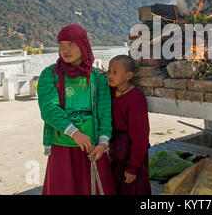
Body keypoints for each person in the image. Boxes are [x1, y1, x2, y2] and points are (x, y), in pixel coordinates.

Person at [37, 24, 116, 195]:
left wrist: (103, 143)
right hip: (63, 146)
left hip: (93, 148)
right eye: (61, 45)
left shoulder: (98, 78)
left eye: (71, 44)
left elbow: (104, 113)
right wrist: (74, 133)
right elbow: (49, 110)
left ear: (83, 45)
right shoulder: (49, 75)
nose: (65, 50)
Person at [106, 55, 151, 195]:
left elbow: (140, 138)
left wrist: (133, 167)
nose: (109, 75)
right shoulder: (113, 91)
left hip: (130, 153)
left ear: (128, 75)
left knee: (132, 188)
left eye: (115, 72)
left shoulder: (135, 100)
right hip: (116, 150)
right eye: (109, 71)